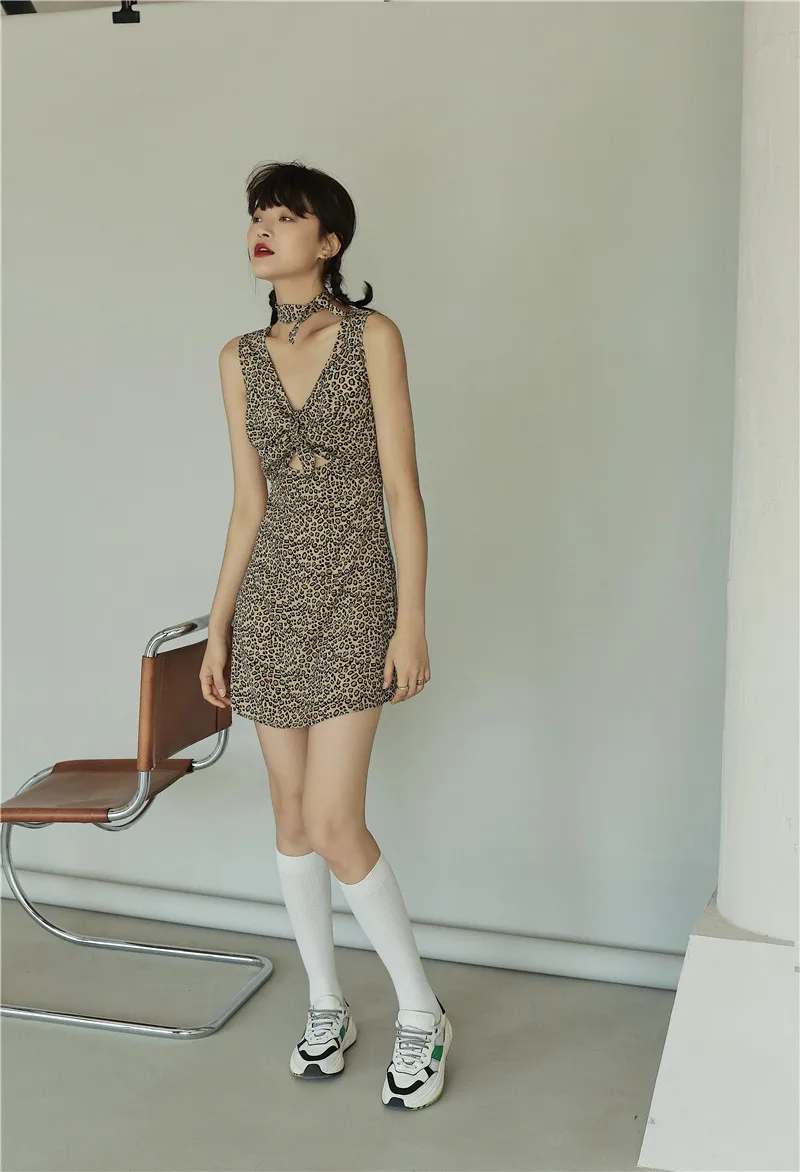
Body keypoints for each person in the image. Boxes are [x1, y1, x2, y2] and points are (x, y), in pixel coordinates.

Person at [200, 160, 453, 1110]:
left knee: (336, 819)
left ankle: (422, 1011)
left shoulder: (372, 338)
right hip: (271, 603)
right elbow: (247, 505)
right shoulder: (236, 357)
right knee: (292, 817)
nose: (262, 230)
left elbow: (402, 491)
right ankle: (325, 1003)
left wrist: (412, 619)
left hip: (355, 593)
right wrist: (218, 629)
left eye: (284, 216)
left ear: (329, 240)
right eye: (256, 216)